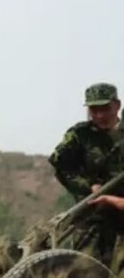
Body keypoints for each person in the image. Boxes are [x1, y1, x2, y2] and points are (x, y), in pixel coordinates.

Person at [47, 82, 124, 266]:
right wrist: (89, 186)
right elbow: (61, 165)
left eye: (105, 109)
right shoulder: (80, 135)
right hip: (92, 217)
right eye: (94, 110)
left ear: (117, 105)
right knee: (87, 270)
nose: (100, 115)